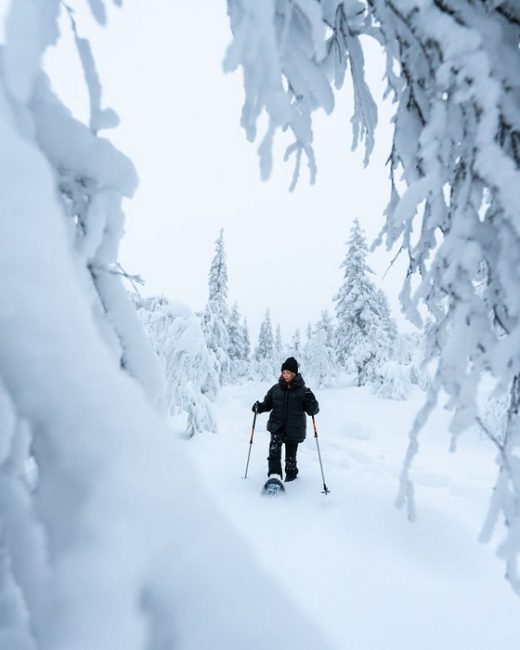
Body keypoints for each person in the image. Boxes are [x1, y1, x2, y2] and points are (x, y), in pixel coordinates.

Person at [252, 357, 319, 482]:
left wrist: (312, 402)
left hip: (294, 428)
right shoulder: (275, 389)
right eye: (284, 372)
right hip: (277, 426)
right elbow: (267, 404)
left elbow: (313, 411)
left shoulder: (304, 391)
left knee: (291, 457)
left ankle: (291, 476)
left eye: (288, 373)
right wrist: (259, 407)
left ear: (294, 373)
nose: (285, 375)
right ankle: (274, 476)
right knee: (274, 451)